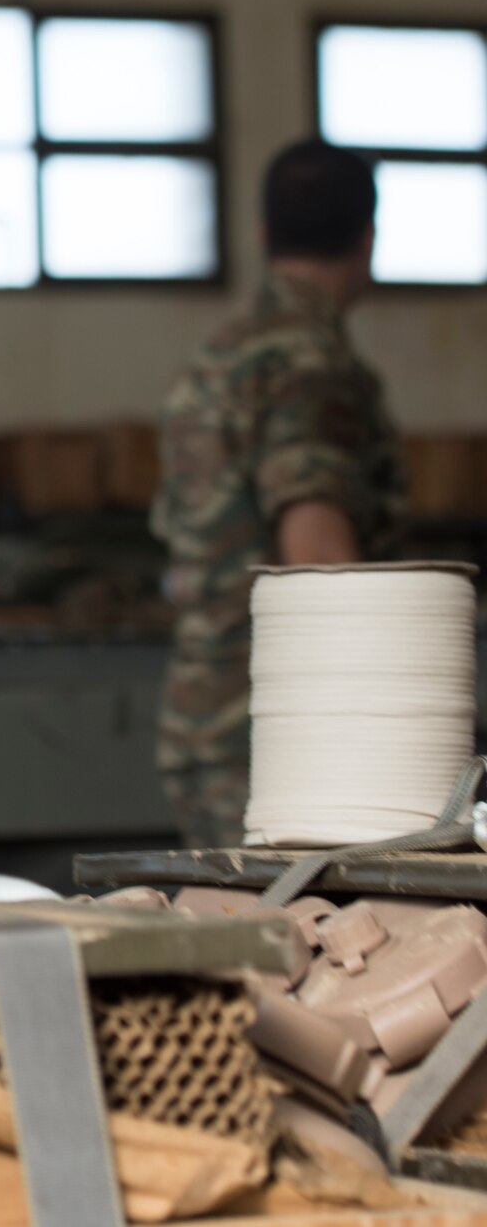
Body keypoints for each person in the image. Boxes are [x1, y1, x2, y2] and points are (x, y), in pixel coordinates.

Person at [151, 139, 406, 849]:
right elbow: (317, 551)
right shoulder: (311, 363)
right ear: (368, 237)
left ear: (263, 237)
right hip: (288, 741)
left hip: (210, 720)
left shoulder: (218, 357)